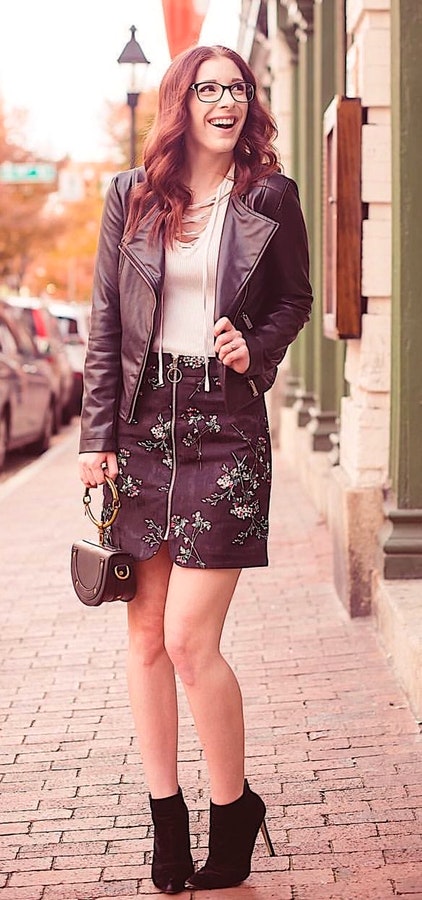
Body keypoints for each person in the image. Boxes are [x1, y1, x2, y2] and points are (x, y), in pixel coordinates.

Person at [78, 44, 312, 893]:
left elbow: (294, 297)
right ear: (182, 102)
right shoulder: (130, 197)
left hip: (223, 425)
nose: (227, 101)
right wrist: (94, 439)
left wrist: (258, 348)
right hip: (141, 429)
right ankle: (165, 820)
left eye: (238, 89)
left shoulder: (268, 197)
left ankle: (233, 805)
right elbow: (107, 323)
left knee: (187, 638)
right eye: (210, 89)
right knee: (143, 636)